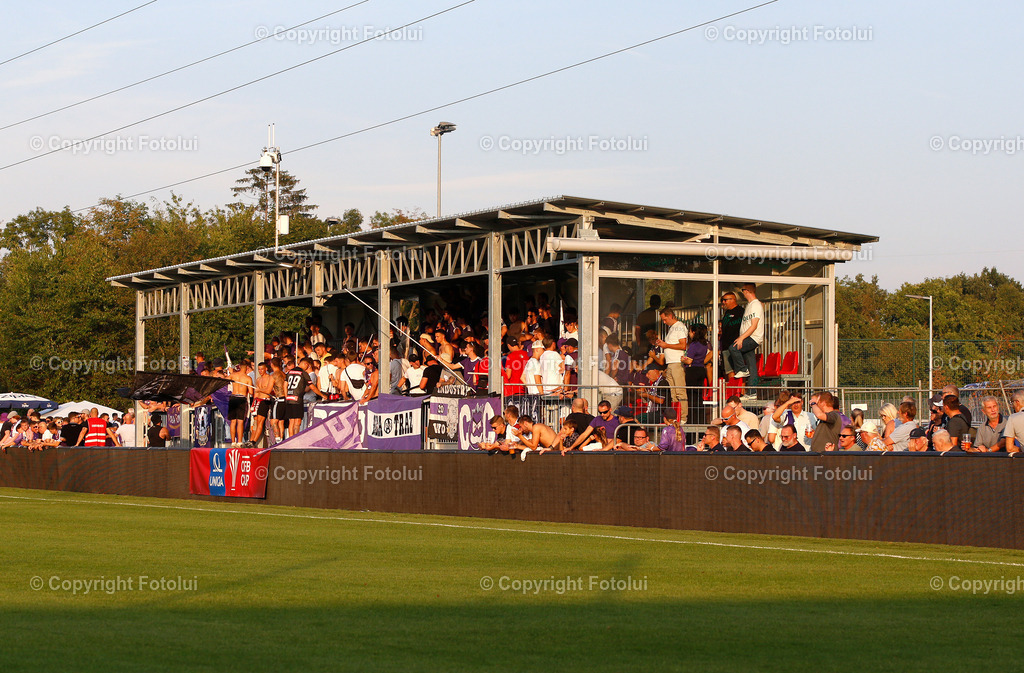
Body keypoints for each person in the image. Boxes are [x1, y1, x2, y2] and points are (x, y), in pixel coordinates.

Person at [729, 283, 765, 402]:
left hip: (753, 337)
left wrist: (741, 338)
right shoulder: (750, 305)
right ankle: (752, 392)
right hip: (748, 337)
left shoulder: (755, 305)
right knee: (752, 366)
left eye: (743, 290)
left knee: (733, 348)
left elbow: (754, 325)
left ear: (747, 291)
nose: (742, 293)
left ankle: (742, 369)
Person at [653, 308, 689, 423]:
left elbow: (683, 345)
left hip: (676, 363)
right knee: (674, 393)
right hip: (670, 363)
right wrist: (663, 344)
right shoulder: (672, 328)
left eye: (664, 319)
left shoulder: (680, 327)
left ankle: (683, 417)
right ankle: (675, 417)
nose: (664, 322)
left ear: (670, 316)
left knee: (680, 391)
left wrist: (666, 345)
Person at [681, 323, 710, 426]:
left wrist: (682, 359)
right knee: (698, 397)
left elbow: (689, 360)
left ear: (693, 332)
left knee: (691, 397)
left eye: (690, 331)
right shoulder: (704, 344)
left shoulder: (694, 345)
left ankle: (692, 420)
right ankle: (700, 420)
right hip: (701, 369)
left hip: (692, 371)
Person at [718, 292, 744, 378]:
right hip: (726, 346)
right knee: (729, 370)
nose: (723, 302)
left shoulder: (741, 311)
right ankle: (732, 386)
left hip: (736, 346)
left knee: (740, 370)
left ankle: (741, 387)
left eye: (725, 300)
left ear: (733, 300)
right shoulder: (727, 313)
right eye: (722, 300)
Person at [228, 362, 253, 447]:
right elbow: (251, 392)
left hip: (233, 397)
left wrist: (231, 372)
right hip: (241, 398)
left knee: (233, 421)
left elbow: (225, 380)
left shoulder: (233, 375)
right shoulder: (248, 378)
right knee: (240, 421)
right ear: (246, 368)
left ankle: (233, 442)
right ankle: (239, 442)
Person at [1003, 389, 1024, 454]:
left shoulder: (1013, 418)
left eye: (1012, 402)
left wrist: (1022, 449)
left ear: (1017, 402)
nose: (1012, 406)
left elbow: (1010, 448)